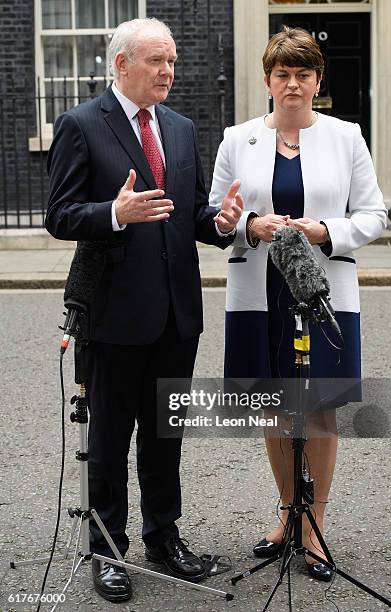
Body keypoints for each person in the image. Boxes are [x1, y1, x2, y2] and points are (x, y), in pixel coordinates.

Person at [45, 18, 243, 603]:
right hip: (114, 315)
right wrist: (113, 213)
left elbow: (192, 215)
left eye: (173, 62)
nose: (168, 72)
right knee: (110, 438)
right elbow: (60, 215)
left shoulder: (180, 128)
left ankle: (164, 536)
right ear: (121, 63)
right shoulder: (81, 125)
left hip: (178, 314)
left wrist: (222, 224)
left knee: (165, 434)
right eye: (156, 61)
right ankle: (106, 549)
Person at [209, 27, 387, 581]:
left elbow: (374, 215)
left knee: (319, 408)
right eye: (282, 74)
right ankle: (288, 513)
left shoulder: (346, 137)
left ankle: (315, 529)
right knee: (273, 407)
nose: (292, 84)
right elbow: (217, 215)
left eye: (303, 74)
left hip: (325, 290)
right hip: (259, 292)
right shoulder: (238, 139)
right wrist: (246, 225)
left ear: (317, 81)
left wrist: (325, 230)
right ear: (267, 80)